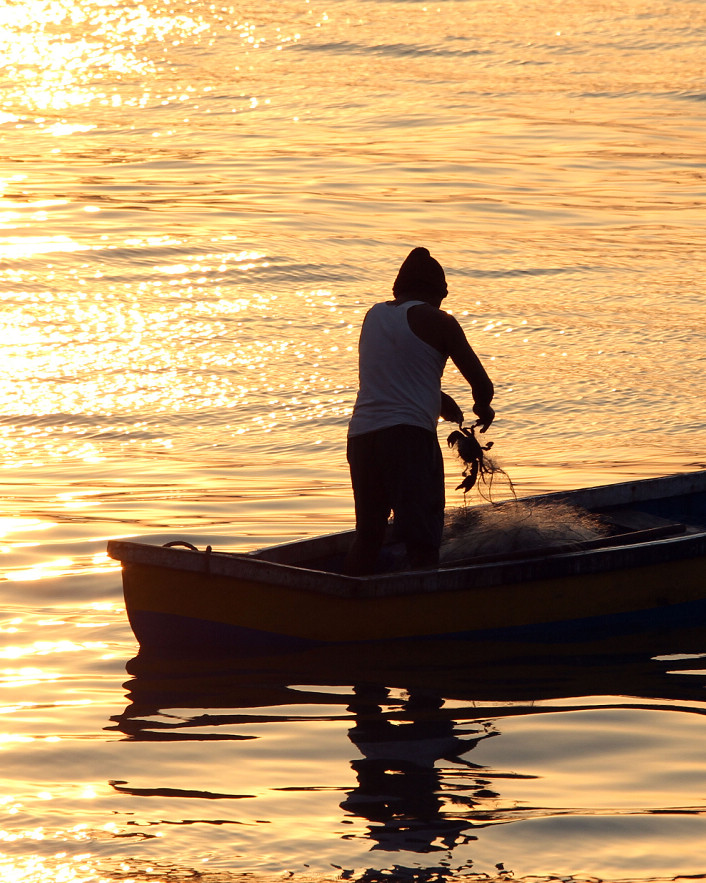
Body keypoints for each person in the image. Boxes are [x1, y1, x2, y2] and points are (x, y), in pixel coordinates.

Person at [344, 246, 495, 575]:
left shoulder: (373, 316)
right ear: (439, 293)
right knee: (423, 538)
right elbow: (481, 385)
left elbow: (394, 373)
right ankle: (424, 601)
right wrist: (483, 407)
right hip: (409, 440)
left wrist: (438, 399)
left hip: (362, 438)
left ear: (397, 289)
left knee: (368, 534)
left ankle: (351, 600)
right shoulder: (441, 322)